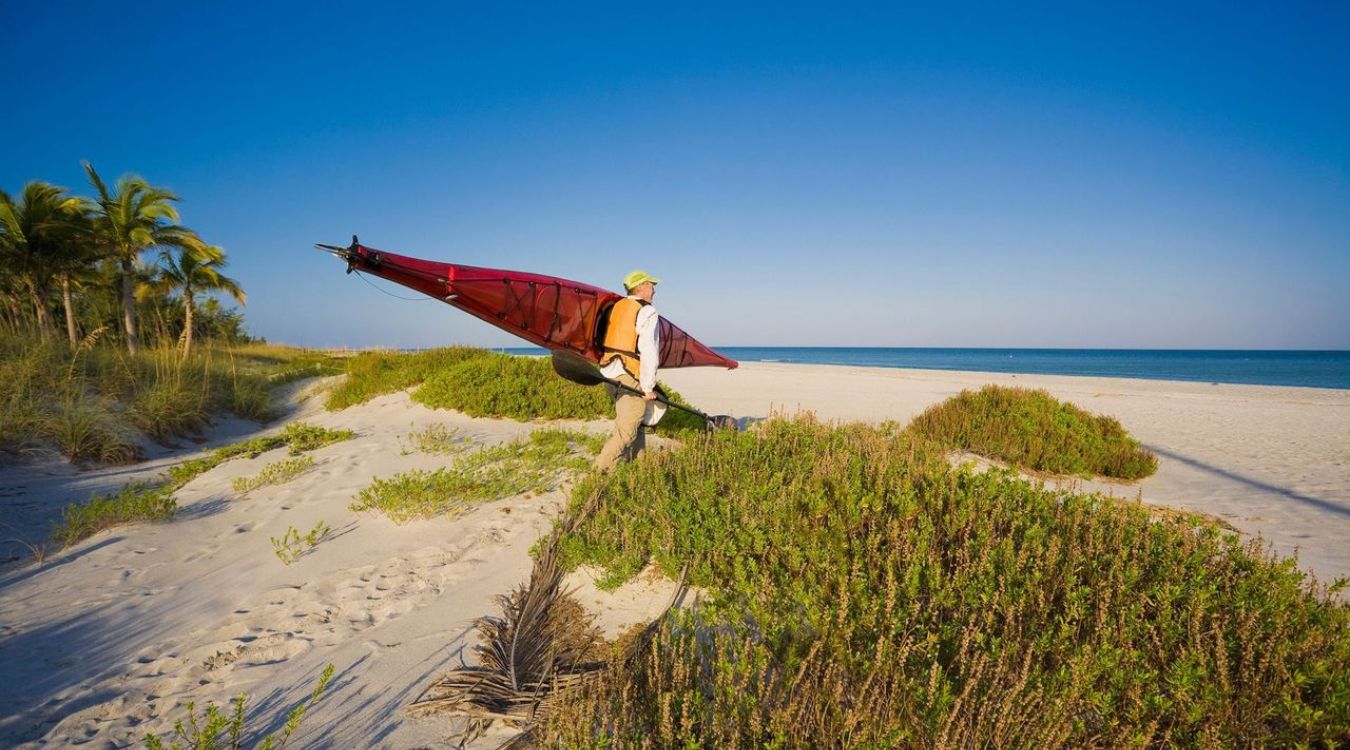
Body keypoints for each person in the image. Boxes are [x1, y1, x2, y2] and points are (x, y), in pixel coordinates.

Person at [594, 270, 664, 472]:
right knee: (626, 433)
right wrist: (648, 386)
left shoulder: (618, 307)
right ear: (641, 286)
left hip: (609, 372)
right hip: (630, 375)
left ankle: (639, 468)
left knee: (635, 422)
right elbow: (649, 349)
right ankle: (600, 472)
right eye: (652, 285)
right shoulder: (647, 311)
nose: (654, 290)